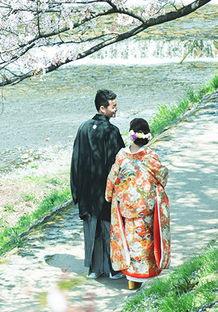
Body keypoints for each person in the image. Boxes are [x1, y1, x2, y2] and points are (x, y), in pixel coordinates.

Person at [105, 117, 170, 290]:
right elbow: (162, 174)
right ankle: (147, 276)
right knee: (146, 240)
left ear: (131, 134)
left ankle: (132, 279)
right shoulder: (150, 155)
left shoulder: (122, 155)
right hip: (146, 206)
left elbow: (112, 178)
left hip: (127, 207)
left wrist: (108, 195)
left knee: (130, 240)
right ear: (147, 136)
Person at [70, 89, 125, 278]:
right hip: (106, 191)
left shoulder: (83, 128)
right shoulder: (112, 131)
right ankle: (113, 269)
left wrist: (75, 191)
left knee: (91, 229)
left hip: (87, 191)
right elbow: (120, 164)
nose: (116, 109)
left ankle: (94, 269)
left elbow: (76, 160)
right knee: (110, 229)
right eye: (113, 106)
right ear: (103, 108)